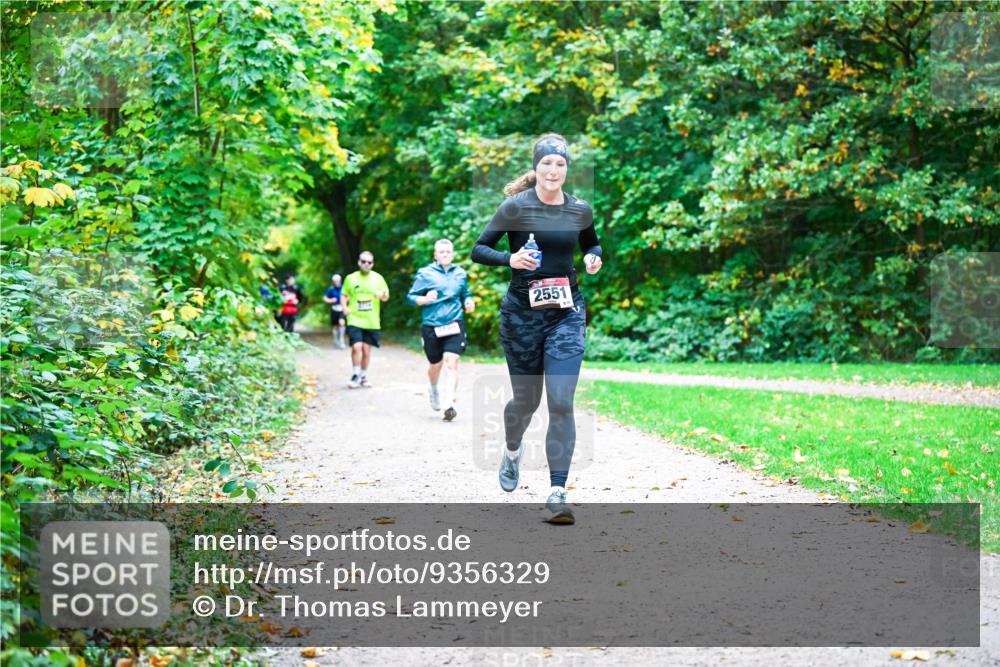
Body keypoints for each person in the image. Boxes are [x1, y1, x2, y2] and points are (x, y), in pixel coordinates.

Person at [471, 133, 603, 525]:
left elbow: (591, 245)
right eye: (546, 163)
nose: (553, 170)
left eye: (560, 164)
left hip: (566, 313)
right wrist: (510, 259)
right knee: (526, 402)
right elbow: (480, 249)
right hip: (521, 318)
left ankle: (558, 492)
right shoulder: (515, 208)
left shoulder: (580, 210)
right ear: (536, 167)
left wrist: (594, 258)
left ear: (567, 169)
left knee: (561, 401)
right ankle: (512, 449)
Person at [407, 239, 475, 422]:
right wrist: (424, 299)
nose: (445, 254)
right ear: (435, 255)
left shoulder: (460, 273)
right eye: (441, 252)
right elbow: (411, 296)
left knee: (451, 362)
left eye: (448, 251)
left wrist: (469, 302)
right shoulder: (425, 273)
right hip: (432, 325)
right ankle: (433, 388)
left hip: (454, 323)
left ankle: (448, 404)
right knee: (435, 365)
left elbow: (465, 294)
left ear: (452, 254)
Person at [340, 251, 390, 388]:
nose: (366, 264)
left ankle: (363, 375)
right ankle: (355, 373)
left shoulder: (378, 278)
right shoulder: (351, 278)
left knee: (367, 351)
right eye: (363, 261)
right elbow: (344, 294)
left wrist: (382, 295)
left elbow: (386, 296)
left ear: (372, 264)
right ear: (359, 262)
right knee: (357, 347)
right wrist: (345, 308)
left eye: (369, 262)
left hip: (372, 321)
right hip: (355, 318)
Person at [324, 273, 347, 349]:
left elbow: (349, 296)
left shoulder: (344, 288)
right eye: (335, 281)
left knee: (342, 322)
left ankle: (341, 340)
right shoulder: (331, 289)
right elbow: (325, 298)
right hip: (334, 308)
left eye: (338, 280)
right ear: (333, 281)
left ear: (340, 280)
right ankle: (336, 340)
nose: (337, 282)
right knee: (335, 326)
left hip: (342, 308)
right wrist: (331, 300)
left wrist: (344, 300)